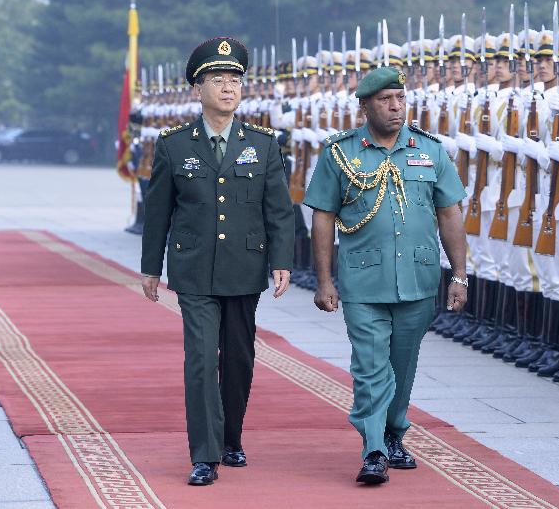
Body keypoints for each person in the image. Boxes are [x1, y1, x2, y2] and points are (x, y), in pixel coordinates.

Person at [140, 37, 295, 486]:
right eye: (218, 80)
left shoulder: (263, 144)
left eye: (235, 80)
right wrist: (152, 266)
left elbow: (279, 209)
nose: (228, 88)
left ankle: (232, 438)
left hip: (244, 268)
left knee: (240, 359)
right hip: (193, 270)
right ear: (198, 88)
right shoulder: (173, 145)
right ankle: (205, 454)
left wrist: (281, 260)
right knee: (202, 358)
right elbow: (159, 211)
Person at [303, 66, 468, 485]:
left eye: (400, 99)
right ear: (364, 106)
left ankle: (395, 432)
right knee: (371, 366)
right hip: (364, 280)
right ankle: (374, 448)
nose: (396, 107)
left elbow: (450, 214)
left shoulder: (429, 150)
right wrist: (324, 281)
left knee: (403, 364)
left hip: (418, 276)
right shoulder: (340, 153)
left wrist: (460, 276)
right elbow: (322, 217)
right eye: (385, 100)